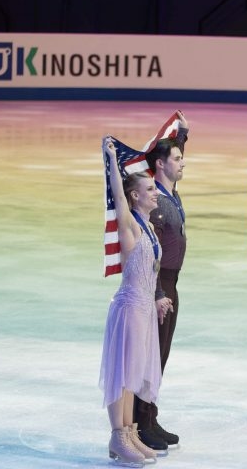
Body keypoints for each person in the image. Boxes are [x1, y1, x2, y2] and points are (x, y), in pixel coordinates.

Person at [99, 135, 165, 466]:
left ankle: (129, 431)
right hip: (127, 309)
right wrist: (111, 160)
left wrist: (157, 299)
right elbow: (117, 192)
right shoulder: (131, 225)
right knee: (120, 374)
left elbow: (150, 272)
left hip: (144, 310)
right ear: (136, 196)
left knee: (133, 373)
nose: (156, 193)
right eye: (151, 189)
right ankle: (117, 435)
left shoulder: (150, 228)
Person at [133, 111, 188, 452]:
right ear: (161, 164)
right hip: (160, 285)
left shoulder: (170, 193)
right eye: (178, 158)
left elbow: (172, 157)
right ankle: (140, 423)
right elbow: (148, 253)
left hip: (172, 284)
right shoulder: (155, 204)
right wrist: (156, 292)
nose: (183, 162)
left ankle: (150, 416)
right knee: (150, 355)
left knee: (161, 354)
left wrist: (181, 133)